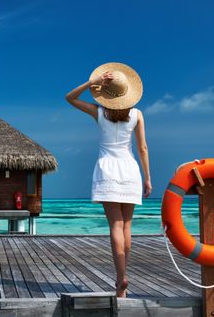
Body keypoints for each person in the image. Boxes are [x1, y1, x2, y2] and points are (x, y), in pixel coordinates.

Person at [65, 62, 152, 298]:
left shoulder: (99, 112)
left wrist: (90, 84)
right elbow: (142, 148)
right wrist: (148, 178)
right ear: (128, 93)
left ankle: (120, 277)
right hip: (130, 171)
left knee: (115, 226)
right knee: (127, 226)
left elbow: (69, 98)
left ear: (106, 94)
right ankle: (123, 277)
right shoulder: (137, 114)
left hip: (108, 171)